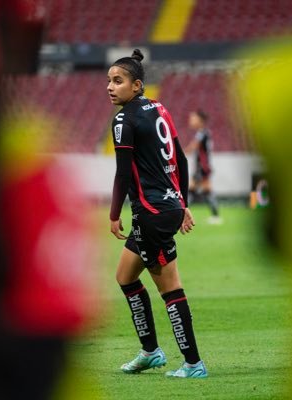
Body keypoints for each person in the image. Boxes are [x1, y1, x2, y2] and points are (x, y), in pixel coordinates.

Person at [107, 49, 207, 379]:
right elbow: (181, 158)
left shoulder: (124, 119)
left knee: (170, 288)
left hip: (150, 213)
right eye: (108, 81)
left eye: (117, 81)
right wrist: (183, 203)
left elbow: (123, 174)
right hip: (166, 206)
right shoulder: (160, 108)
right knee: (125, 276)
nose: (110, 87)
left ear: (136, 86)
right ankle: (151, 352)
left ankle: (193, 364)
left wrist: (112, 213)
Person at [185, 110, 222, 224]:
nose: (191, 120)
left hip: (202, 167)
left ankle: (182, 215)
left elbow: (193, 147)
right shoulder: (204, 132)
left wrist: (178, 154)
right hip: (203, 167)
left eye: (193, 118)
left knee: (191, 189)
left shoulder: (202, 133)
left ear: (200, 121)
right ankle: (216, 216)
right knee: (205, 191)